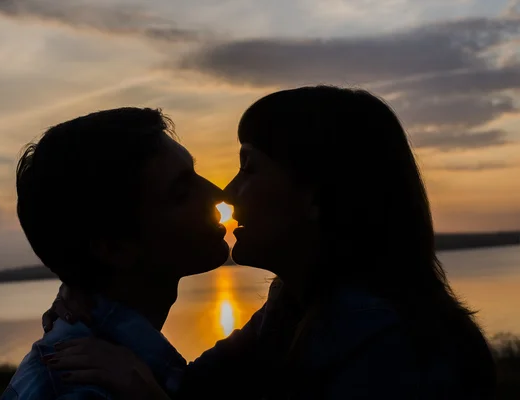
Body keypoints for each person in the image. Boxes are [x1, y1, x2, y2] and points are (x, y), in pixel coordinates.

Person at [42, 86, 497, 399]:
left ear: (315, 195)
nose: (226, 192)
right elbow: (196, 389)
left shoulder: (393, 345)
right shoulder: (292, 314)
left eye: (250, 168)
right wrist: (89, 288)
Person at [1, 107, 230, 399]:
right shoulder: (85, 390)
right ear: (114, 248)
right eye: (181, 193)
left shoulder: (127, 366)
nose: (218, 194)